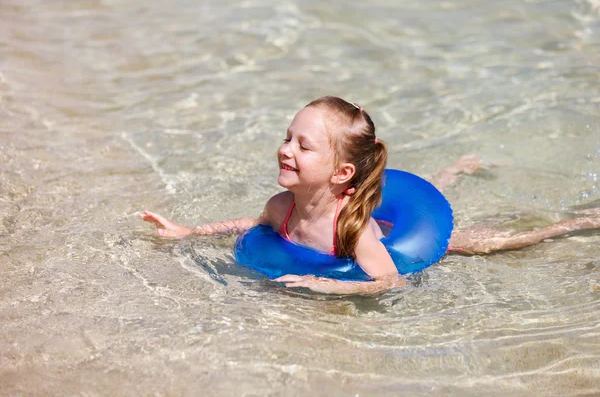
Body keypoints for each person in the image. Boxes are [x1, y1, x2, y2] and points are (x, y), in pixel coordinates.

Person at [140, 96, 600, 294]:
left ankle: (579, 221)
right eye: (287, 137)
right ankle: (454, 171)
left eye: (303, 145)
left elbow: (390, 281)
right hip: (366, 218)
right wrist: (191, 232)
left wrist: (329, 286)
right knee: (434, 194)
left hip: (401, 239)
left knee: (496, 242)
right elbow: (251, 226)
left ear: (341, 173)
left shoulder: (351, 229)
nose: (285, 149)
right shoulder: (280, 207)